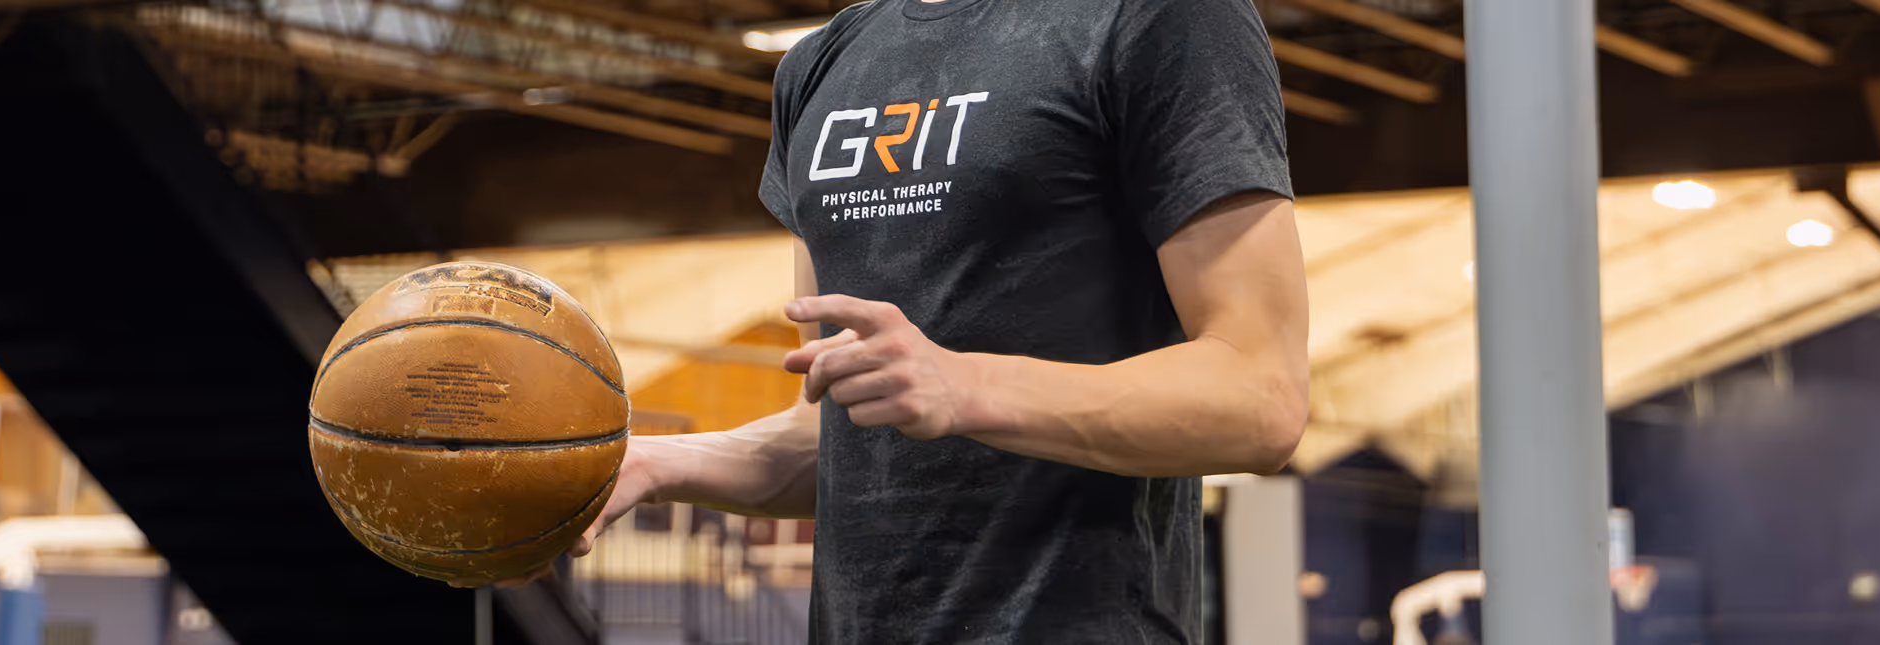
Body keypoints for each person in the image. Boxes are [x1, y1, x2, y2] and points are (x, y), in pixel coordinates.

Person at [500, 0, 1314, 641]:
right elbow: (834, 434)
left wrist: (966, 386)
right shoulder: (820, 65)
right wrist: (656, 461)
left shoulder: (1158, 17)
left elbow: (1261, 396)